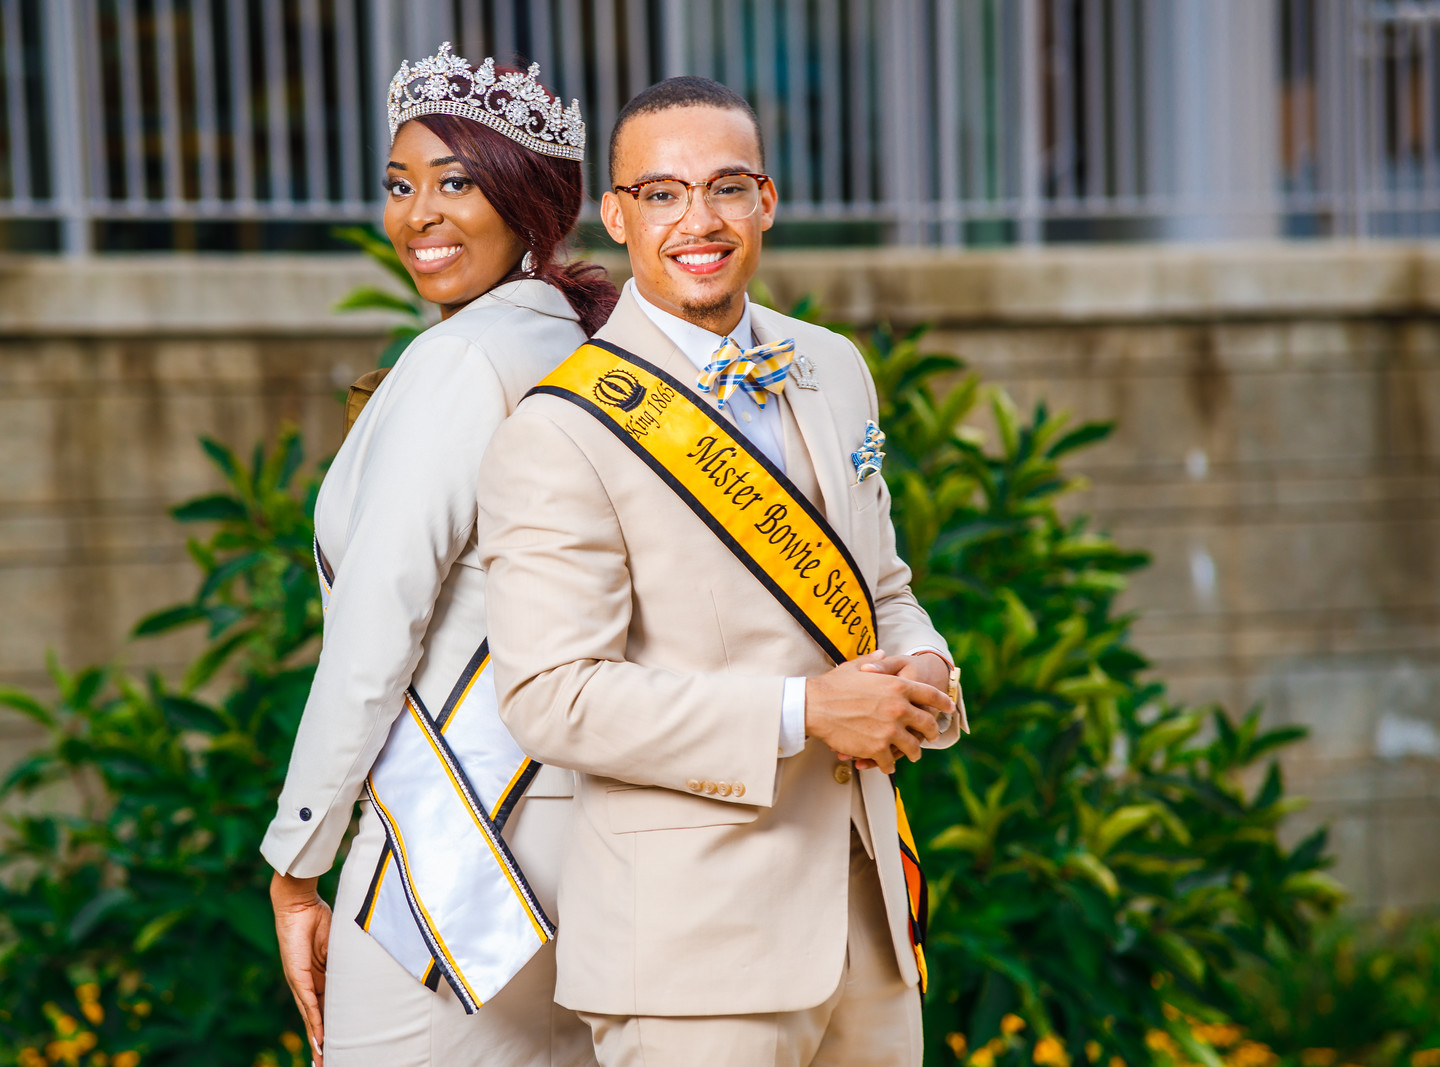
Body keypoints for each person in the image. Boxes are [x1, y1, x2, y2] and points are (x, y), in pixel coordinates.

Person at [475, 76, 970, 1067]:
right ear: (613, 216)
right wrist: (803, 712)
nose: (697, 221)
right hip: (688, 957)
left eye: (726, 188)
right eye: (661, 194)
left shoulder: (831, 364)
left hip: (867, 922)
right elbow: (549, 698)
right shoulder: (557, 430)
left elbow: (883, 586)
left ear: (766, 201)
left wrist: (926, 672)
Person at [259, 43, 614, 1067]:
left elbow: (377, 628)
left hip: (453, 846)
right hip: (584, 837)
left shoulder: (459, 359)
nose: (419, 213)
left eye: (457, 183)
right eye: (399, 184)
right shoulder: (581, 345)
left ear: (526, 202)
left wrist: (297, 861)